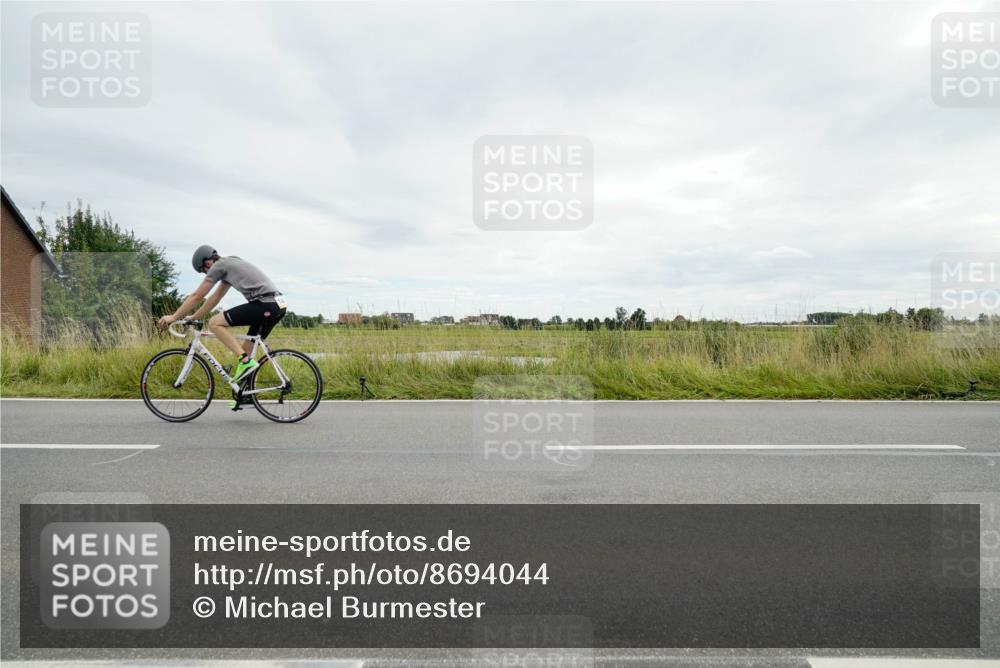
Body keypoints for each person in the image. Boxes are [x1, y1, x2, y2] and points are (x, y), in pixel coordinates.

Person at [157, 246, 287, 385]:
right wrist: (193, 317)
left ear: (207, 263)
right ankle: (246, 393)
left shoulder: (219, 266)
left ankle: (245, 361)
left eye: (203, 271)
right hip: (279, 305)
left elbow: (198, 295)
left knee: (214, 323)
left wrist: (174, 317)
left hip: (265, 304)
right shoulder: (230, 262)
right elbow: (215, 298)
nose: (206, 274)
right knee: (246, 348)